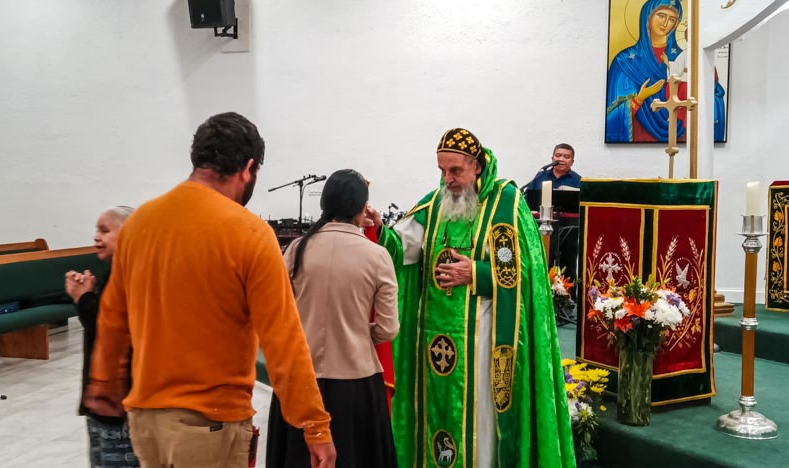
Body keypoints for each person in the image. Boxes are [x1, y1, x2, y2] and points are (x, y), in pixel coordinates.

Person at [85, 112, 336, 468]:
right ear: (248, 168)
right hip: (209, 423)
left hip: (144, 419)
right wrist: (314, 424)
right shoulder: (249, 233)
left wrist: (104, 384)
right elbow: (283, 339)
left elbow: (113, 318)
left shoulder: (140, 223)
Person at [372, 128, 575, 467]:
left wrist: (476, 274)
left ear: (477, 166)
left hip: (484, 339)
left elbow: (525, 275)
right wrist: (379, 229)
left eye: (455, 170)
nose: (447, 179)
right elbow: (403, 251)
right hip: (433, 340)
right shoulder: (434, 204)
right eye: (442, 170)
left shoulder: (505, 205)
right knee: (436, 414)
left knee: (478, 422)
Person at [268, 169, 399, 468]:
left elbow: (280, 314)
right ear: (362, 209)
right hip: (357, 383)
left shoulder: (297, 249)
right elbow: (388, 328)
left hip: (301, 380)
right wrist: (356, 333)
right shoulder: (377, 256)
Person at [65, 206, 138, 468]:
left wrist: (83, 298)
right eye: (96, 230)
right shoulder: (117, 272)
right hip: (109, 406)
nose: (96, 237)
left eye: (105, 231)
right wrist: (88, 295)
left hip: (119, 408)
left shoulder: (130, 276)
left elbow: (110, 332)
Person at [606, 0, 685, 142]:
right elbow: (613, 115)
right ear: (648, 16)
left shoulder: (682, 58)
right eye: (661, 16)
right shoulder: (624, 61)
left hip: (679, 133)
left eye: (672, 19)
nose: (666, 23)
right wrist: (640, 98)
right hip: (639, 134)